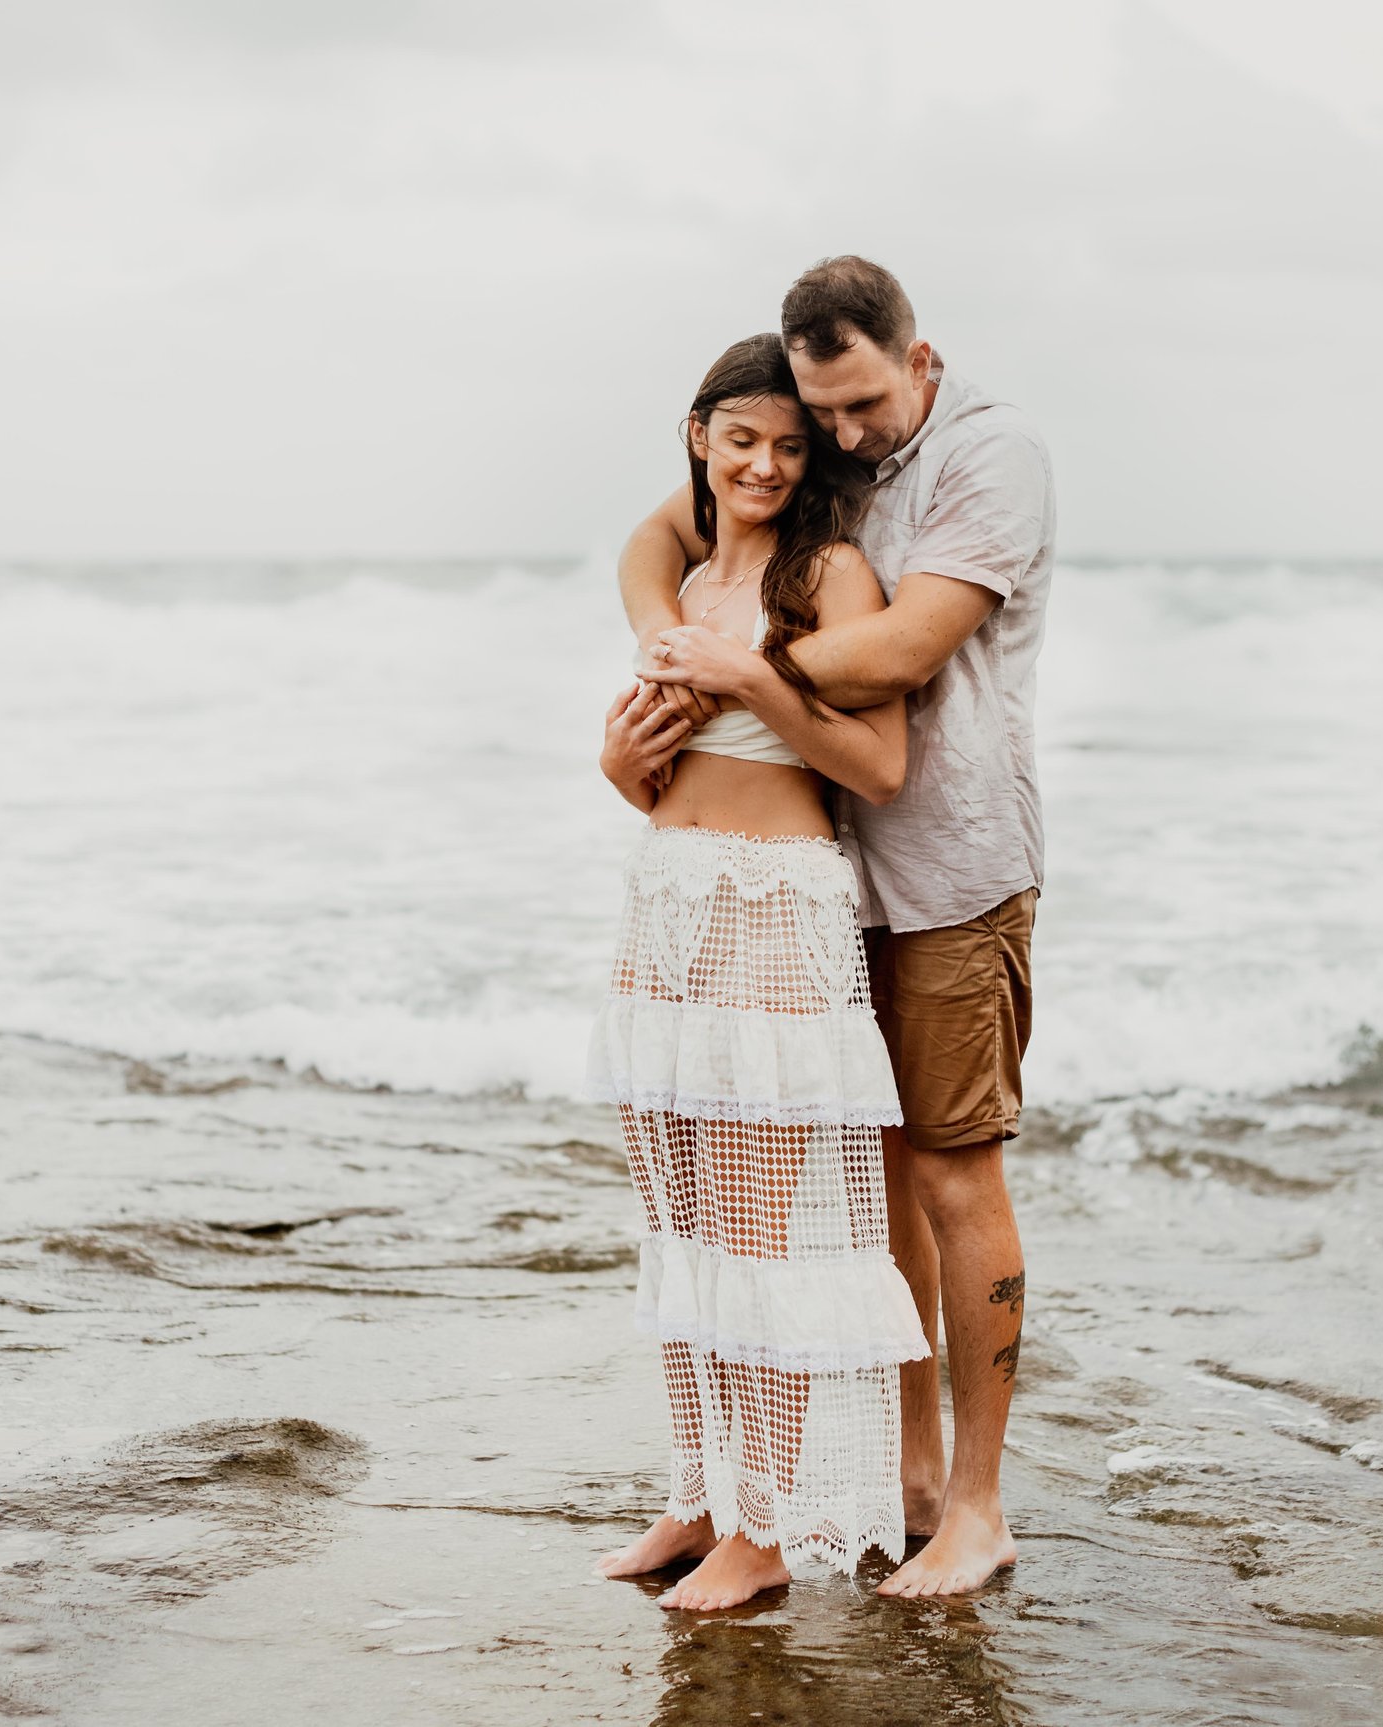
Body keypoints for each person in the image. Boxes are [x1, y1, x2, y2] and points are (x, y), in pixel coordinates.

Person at [620, 256, 1054, 1598]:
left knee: (948, 1172)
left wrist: (736, 669)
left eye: (858, 409)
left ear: (918, 361)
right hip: (813, 879)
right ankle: (896, 1478)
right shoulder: (813, 460)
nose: (842, 440)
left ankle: (972, 1505)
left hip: (942, 874)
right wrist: (658, 650)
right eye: (819, 416)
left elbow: (897, 658)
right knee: (844, 1199)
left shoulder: (989, 461)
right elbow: (662, 534)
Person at [587, 332, 931, 1613]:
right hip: (666, 903)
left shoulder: (830, 574)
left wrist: (751, 677)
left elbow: (878, 767)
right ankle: (699, 1489)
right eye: (743, 440)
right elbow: (652, 776)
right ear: (699, 437)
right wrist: (621, 761)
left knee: (755, 1233)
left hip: (774, 909)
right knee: (677, 1223)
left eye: (791, 446)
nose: (767, 465)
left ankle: (771, 1522)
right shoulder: (676, 572)